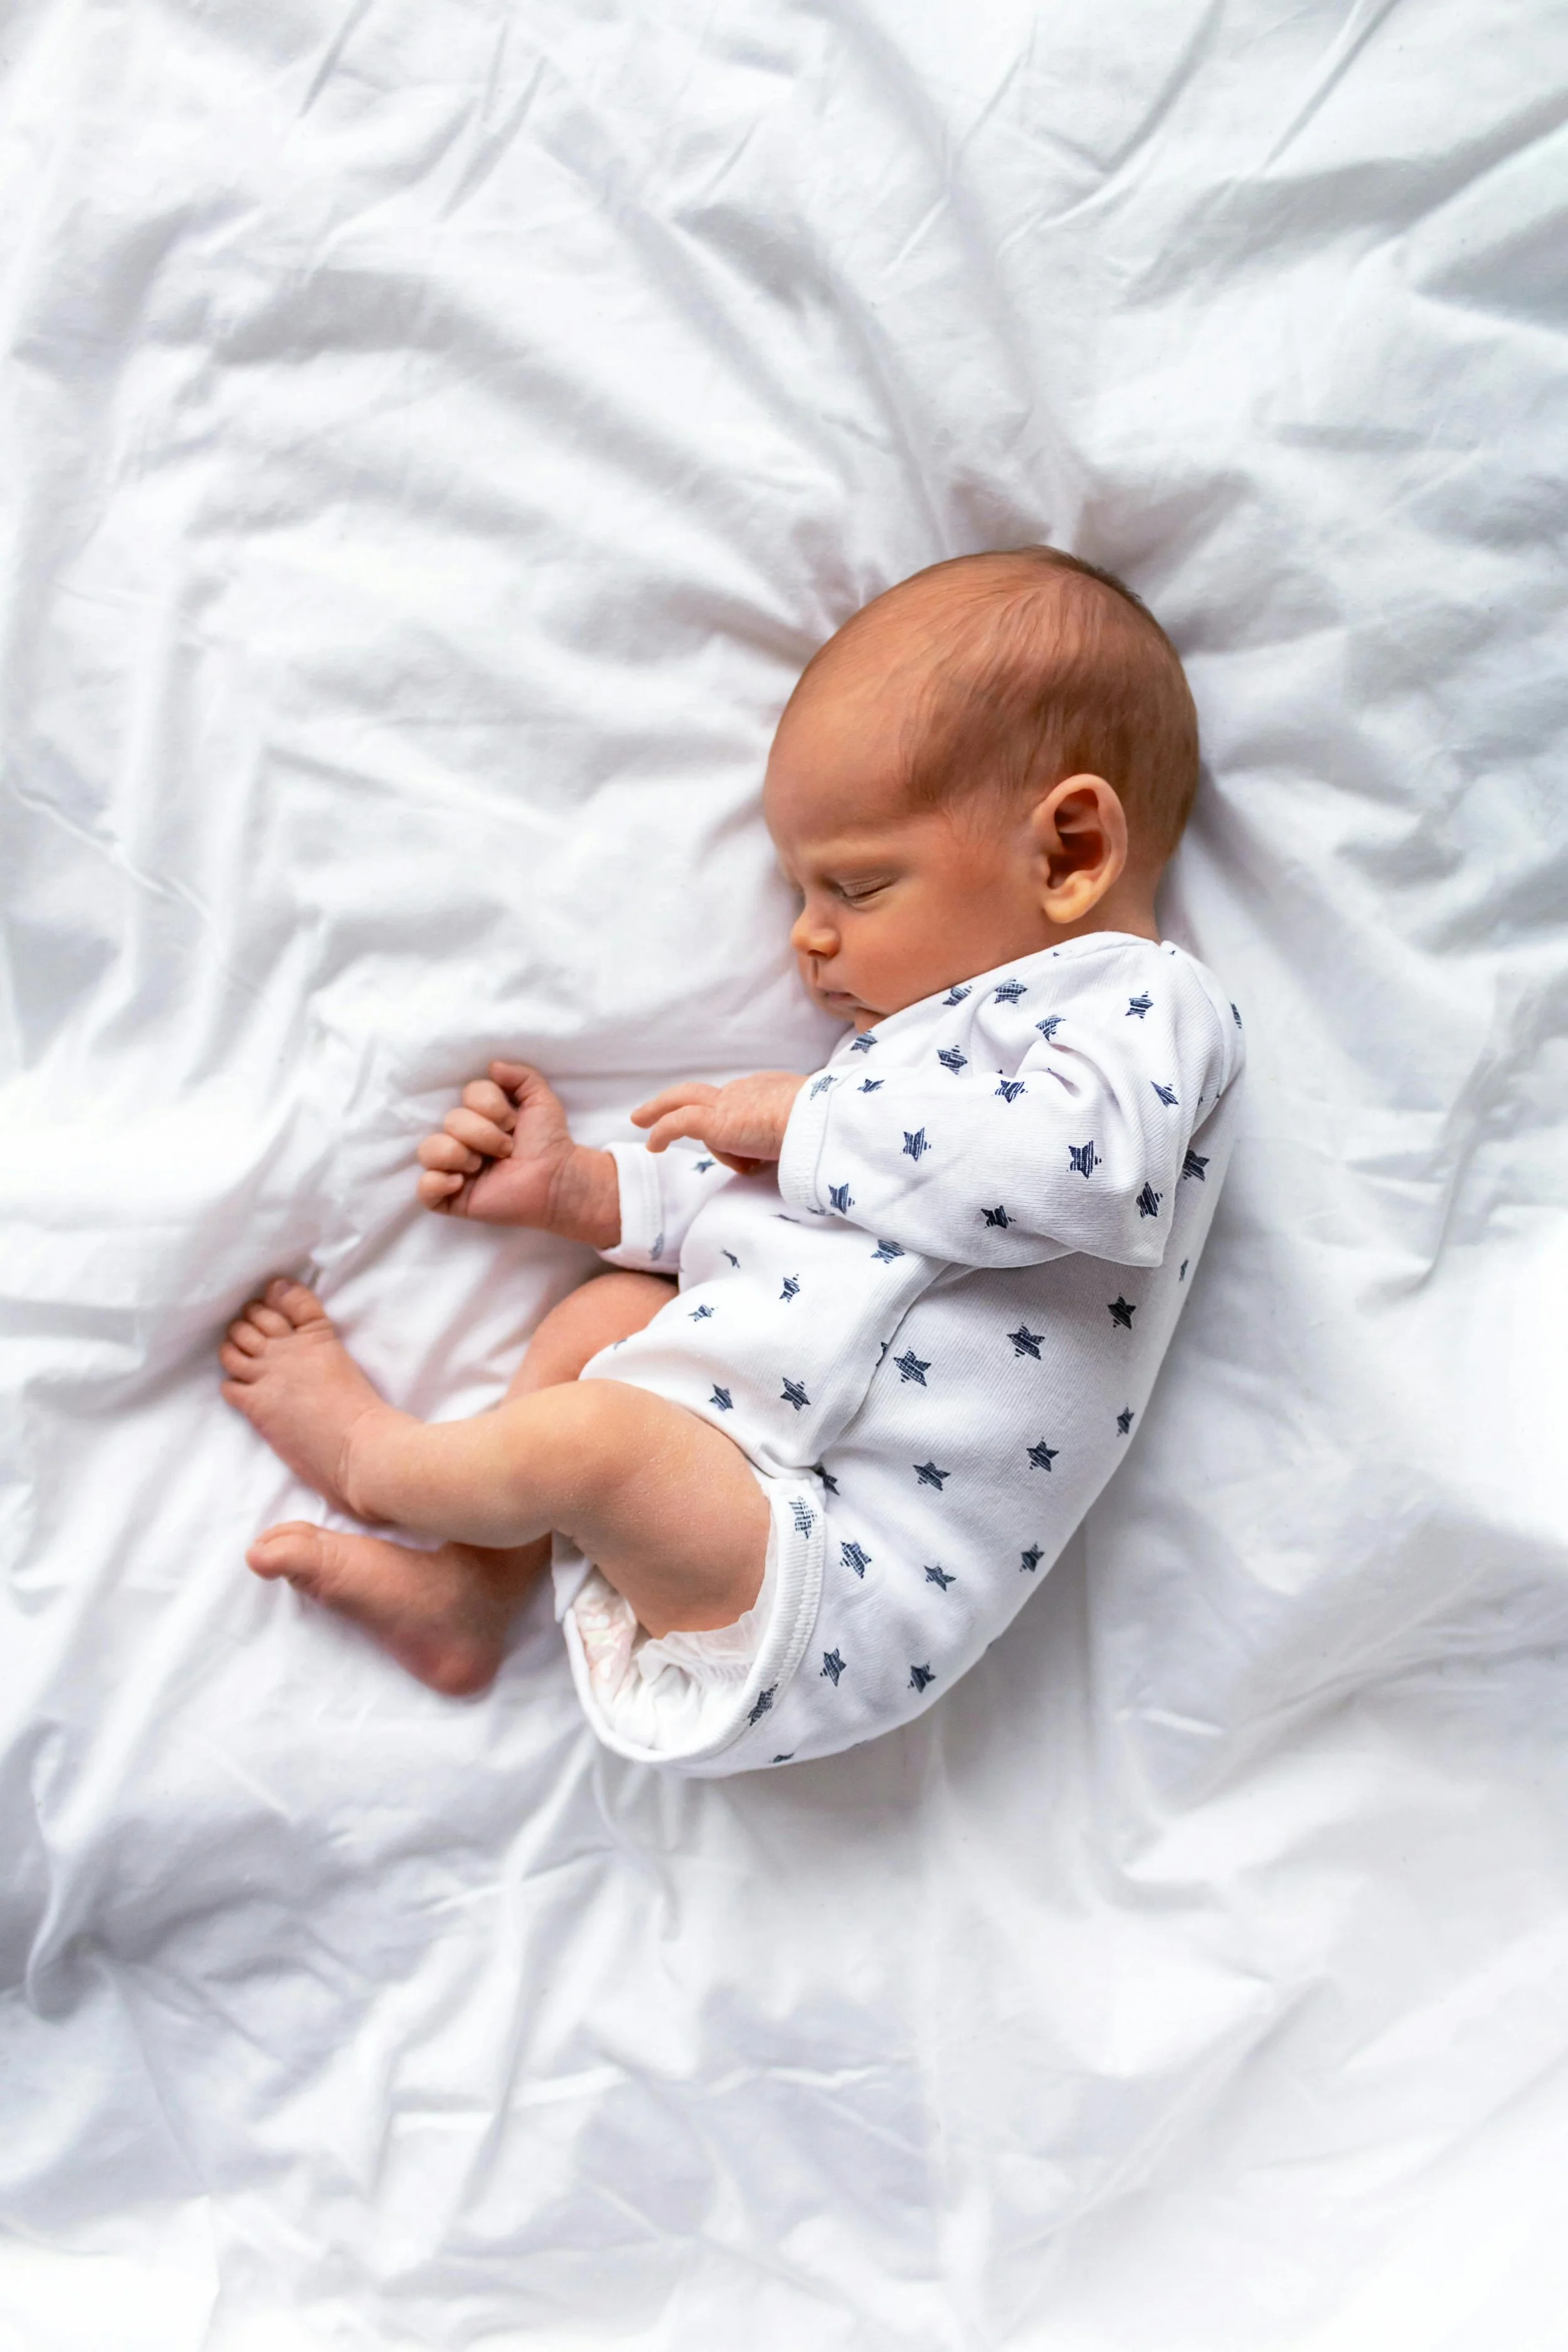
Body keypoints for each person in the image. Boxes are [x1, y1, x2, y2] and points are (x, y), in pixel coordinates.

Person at [219, 547, 1244, 1772]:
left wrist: (800, 1122)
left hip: (843, 1581)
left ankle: (374, 1464)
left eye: (855, 885)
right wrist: (585, 1190)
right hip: (745, 1475)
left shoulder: (1141, 1004)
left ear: (1069, 849)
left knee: (596, 1441)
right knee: (605, 1317)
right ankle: (472, 1599)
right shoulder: (901, 1055)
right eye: (801, 892)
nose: (809, 940)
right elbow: (792, 1223)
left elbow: (1084, 1177)